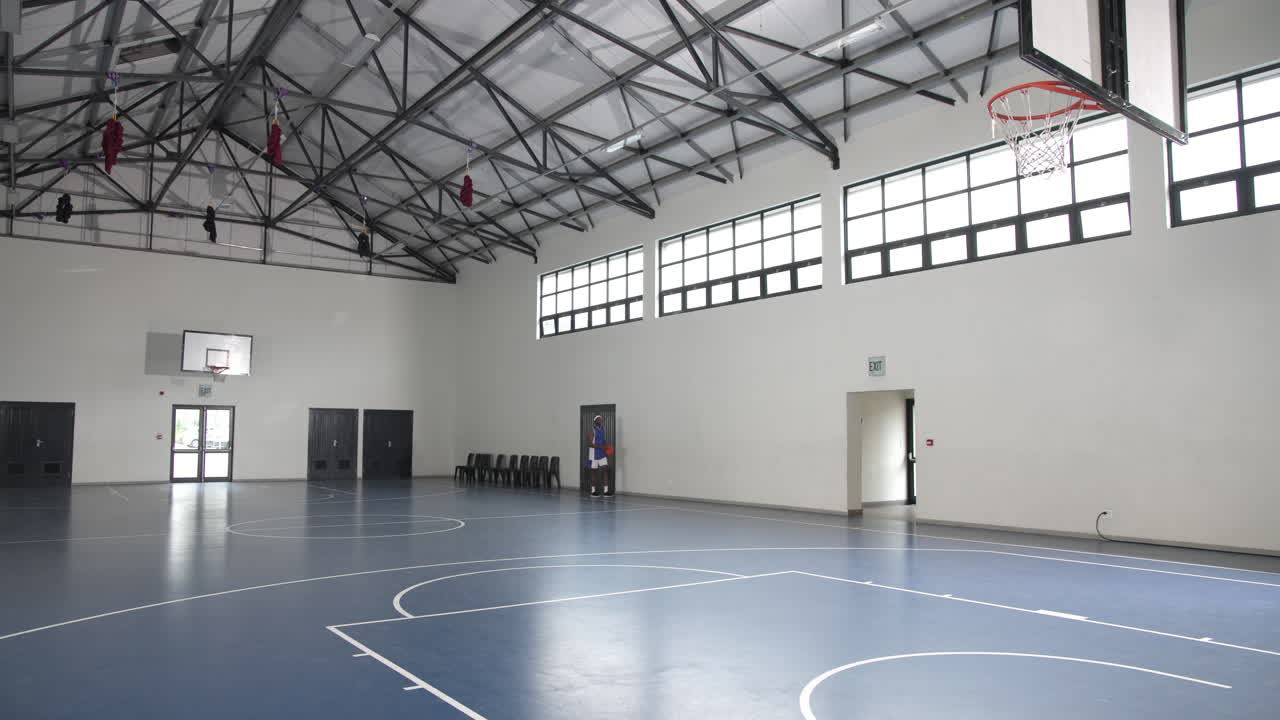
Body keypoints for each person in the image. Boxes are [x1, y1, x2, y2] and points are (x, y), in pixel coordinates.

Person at [586, 415, 611, 497]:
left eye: (601, 419)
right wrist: (601, 447)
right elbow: (589, 444)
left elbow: (604, 441)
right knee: (593, 473)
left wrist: (607, 446)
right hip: (593, 455)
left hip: (602, 454)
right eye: (598, 419)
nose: (600, 420)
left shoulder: (603, 429)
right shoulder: (592, 431)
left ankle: (606, 491)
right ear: (595, 421)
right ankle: (593, 491)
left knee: (605, 470)